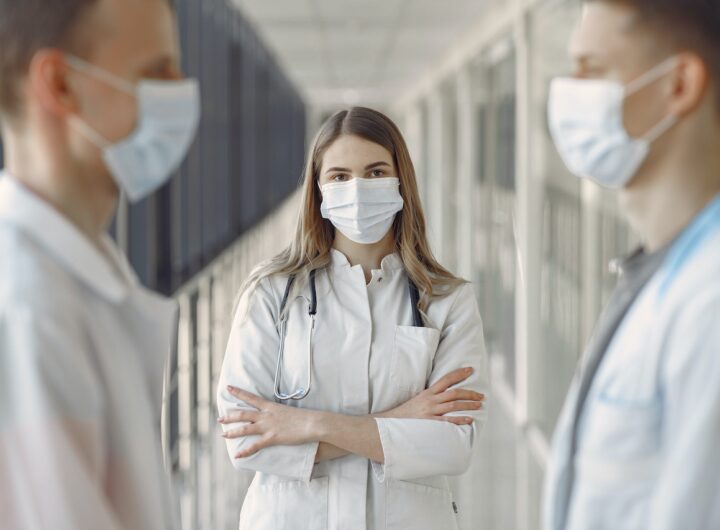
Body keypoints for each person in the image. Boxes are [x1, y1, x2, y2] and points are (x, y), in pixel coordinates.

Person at [216, 107, 488, 530]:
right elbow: (247, 439)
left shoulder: (447, 300)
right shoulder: (271, 292)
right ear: (319, 191)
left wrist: (308, 424)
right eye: (340, 176)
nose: (358, 188)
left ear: (401, 183)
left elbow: (453, 445)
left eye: (376, 172)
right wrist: (402, 421)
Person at [0, 0, 200, 528]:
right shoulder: (27, 314)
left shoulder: (86, 276)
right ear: (62, 85)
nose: (184, 89)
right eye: (156, 72)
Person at [543, 1, 720, 529]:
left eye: (591, 69)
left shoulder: (710, 302)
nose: (567, 90)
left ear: (679, 85)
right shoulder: (665, 273)